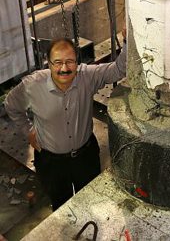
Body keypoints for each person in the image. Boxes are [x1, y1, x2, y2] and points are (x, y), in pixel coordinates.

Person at [4, 33, 126, 211]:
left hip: (86, 157)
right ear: (48, 62)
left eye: (70, 61)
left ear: (77, 62)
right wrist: (28, 130)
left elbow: (118, 70)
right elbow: (11, 105)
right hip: (51, 164)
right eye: (58, 62)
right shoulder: (33, 85)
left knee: (91, 202)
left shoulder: (87, 76)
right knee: (62, 207)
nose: (64, 68)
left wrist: (128, 40)